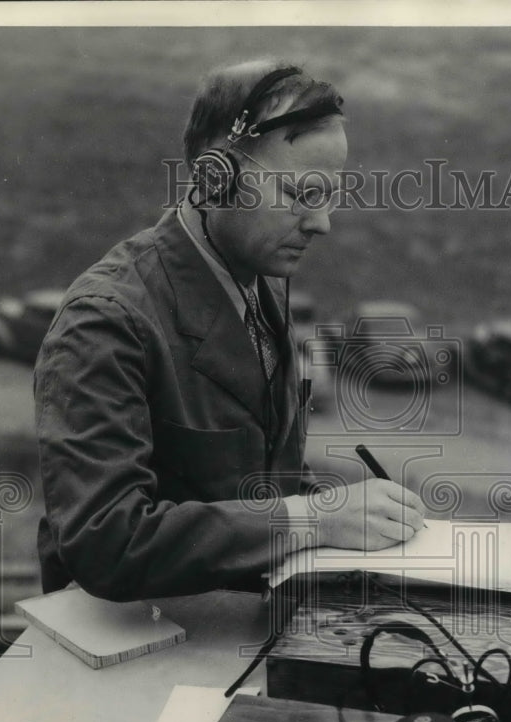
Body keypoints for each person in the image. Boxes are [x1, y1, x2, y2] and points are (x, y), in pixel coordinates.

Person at [34, 59, 425, 600]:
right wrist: (311, 519)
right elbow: (107, 541)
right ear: (216, 178)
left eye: (329, 195)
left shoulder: (259, 285)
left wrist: (347, 512)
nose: (321, 223)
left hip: (231, 624)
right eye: (300, 195)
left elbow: (264, 473)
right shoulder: (105, 322)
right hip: (129, 648)